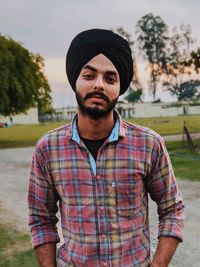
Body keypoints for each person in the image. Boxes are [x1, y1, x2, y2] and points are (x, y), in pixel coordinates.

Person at [28, 29, 184, 267]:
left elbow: (172, 209)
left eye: (110, 79)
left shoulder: (148, 144)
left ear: (120, 86)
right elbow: (41, 220)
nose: (99, 85)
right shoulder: (48, 149)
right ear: (75, 80)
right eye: (89, 76)